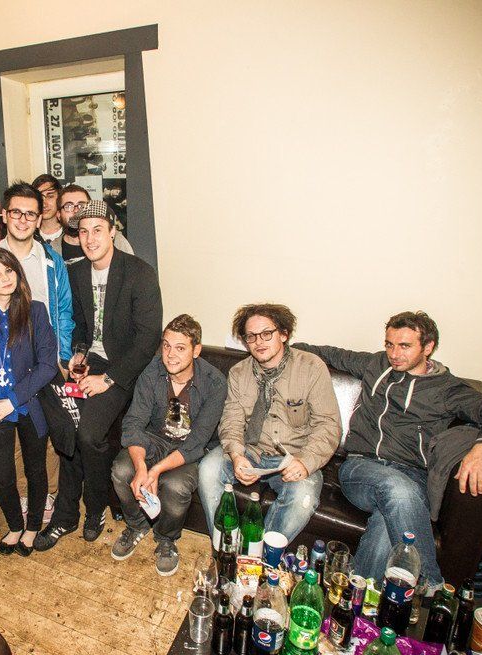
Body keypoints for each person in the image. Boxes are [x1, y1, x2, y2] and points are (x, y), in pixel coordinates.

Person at [296, 311, 482, 587]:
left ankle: (358, 596)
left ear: (428, 347)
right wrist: (278, 346)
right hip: (361, 468)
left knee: (386, 523)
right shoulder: (375, 365)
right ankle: (431, 585)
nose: (394, 354)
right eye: (389, 344)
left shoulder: (447, 389)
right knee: (397, 490)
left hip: (413, 475)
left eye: (405, 346)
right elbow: (323, 353)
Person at [35, 200, 162, 551]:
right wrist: (77, 352)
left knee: (89, 434)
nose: (90, 239)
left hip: (123, 369)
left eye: (97, 230)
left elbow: (147, 338)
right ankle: (66, 515)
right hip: (89, 362)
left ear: (112, 232)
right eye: (83, 232)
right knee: (65, 426)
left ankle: (95, 509)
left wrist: (107, 380)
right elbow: (77, 323)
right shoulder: (76, 273)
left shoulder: (139, 273)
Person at [198, 304, 341, 548]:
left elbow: (328, 424)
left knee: (303, 496)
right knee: (208, 470)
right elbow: (231, 420)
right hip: (250, 451)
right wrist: (236, 455)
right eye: (251, 336)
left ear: (283, 334)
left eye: (267, 334)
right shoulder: (239, 373)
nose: (259, 342)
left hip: (294, 456)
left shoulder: (311, 367)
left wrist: (305, 462)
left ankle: (259, 557)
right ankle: (224, 548)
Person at [0, 181, 76, 522]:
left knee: (45, 431)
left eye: (30, 214)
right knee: (13, 432)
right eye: (16, 212)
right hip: (3, 364)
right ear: (4, 215)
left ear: (39, 219)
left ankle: (47, 493)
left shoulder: (52, 261)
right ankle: (24, 494)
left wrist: (61, 358)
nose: (23, 220)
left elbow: (63, 311)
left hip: (44, 362)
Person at [111, 314, 227, 576]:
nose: (170, 355)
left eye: (180, 348)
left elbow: (197, 442)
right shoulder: (152, 371)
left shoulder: (215, 382)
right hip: (155, 439)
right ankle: (137, 524)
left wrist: (156, 471)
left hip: (188, 448)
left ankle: (166, 539)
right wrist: (142, 467)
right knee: (121, 470)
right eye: (166, 346)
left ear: (196, 350)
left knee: (175, 486)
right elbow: (134, 423)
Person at [0, 248, 58, 555]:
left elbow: (48, 365)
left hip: (30, 403)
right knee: (3, 475)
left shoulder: (36, 311)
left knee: (35, 469)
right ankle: (15, 526)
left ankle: (32, 527)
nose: (5, 278)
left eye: (9, 270)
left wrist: (12, 400)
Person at [51, 184, 134, 265]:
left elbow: (132, 269)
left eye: (81, 205)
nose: (76, 211)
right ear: (58, 215)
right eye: (68, 206)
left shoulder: (116, 240)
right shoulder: (52, 250)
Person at [32, 174, 63, 245]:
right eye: (39, 198)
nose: (44, 204)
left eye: (50, 196)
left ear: (60, 198)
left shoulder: (70, 234)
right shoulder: (28, 233)